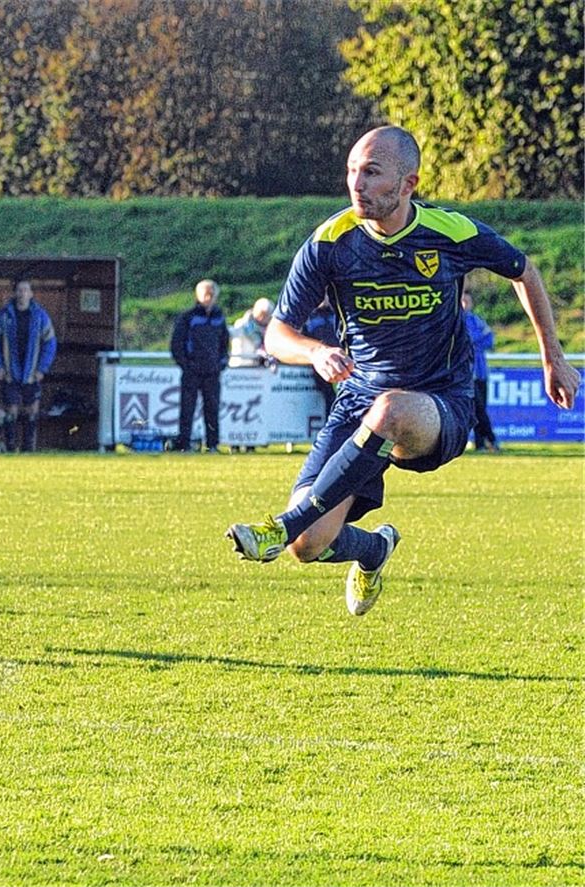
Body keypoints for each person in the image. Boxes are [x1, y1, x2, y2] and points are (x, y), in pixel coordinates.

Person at [226, 125, 579, 617]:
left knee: (390, 410)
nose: (357, 184)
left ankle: (280, 524)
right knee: (307, 546)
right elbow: (276, 335)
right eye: (351, 172)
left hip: (440, 403)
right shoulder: (330, 243)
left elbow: (523, 271)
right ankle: (372, 550)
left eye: (371, 173)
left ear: (408, 183)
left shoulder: (450, 233)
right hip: (358, 401)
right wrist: (315, 352)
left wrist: (552, 357)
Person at [0, 277, 57, 452]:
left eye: (26, 290)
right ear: (14, 293)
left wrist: (42, 369)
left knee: (32, 410)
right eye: (19, 290)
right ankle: (11, 446)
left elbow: (50, 343)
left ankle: (29, 448)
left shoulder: (40, 316)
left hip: (32, 372)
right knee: (11, 410)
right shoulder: (4, 315)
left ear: (31, 294)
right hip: (10, 372)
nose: (22, 294)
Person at [170, 279, 229, 451]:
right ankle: (184, 444)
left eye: (212, 294)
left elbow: (224, 342)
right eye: (206, 294)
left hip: (212, 372)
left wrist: (221, 363)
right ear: (198, 295)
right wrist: (186, 365)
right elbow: (176, 344)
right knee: (187, 409)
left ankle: (212, 445)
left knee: (212, 409)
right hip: (192, 371)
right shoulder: (188, 317)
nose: (209, 298)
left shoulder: (219, 317)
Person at [461, 289, 500, 451]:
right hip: (465, 372)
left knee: (481, 407)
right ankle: (491, 439)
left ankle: (480, 443)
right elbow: (463, 341)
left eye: (467, 302)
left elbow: (489, 340)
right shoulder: (456, 320)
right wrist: (475, 340)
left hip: (481, 370)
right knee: (478, 409)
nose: (465, 305)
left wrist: (472, 341)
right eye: (463, 301)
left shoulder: (476, 320)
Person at [228, 296, 273, 367]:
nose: (263, 317)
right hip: (240, 368)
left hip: (262, 369)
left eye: (267, 315)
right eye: (262, 314)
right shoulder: (241, 325)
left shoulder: (272, 330)